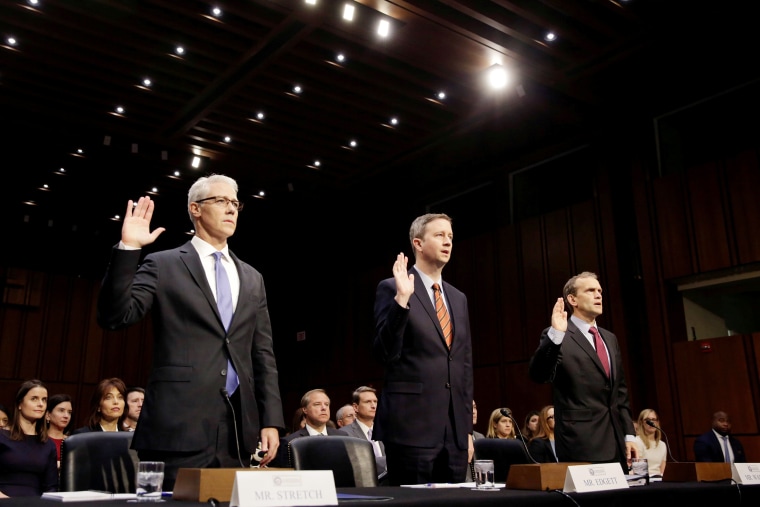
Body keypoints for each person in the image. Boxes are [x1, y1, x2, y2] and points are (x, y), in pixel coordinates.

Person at [96, 174, 284, 489]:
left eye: (235, 203)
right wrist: (129, 248)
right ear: (195, 209)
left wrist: (271, 421)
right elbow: (115, 316)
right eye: (222, 201)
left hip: (238, 432)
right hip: (175, 428)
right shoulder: (164, 264)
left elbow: (262, 354)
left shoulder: (253, 278)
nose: (231, 209)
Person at [373, 213, 474, 486]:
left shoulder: (458, 297)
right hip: (411, 428)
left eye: (451, 236)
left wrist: (466, 430)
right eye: (439, 235)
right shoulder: (392, 287)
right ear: (417, 243)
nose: (448, 241)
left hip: (453, 433)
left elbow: (463, 365)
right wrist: (401, 302)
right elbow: (385, 353)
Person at [529, 271, 637, 471]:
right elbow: (539, 375)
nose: (598, 295)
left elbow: (620, 393)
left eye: (599, 291)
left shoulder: (610, 338)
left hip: (617, 444)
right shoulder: (558, 334)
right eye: (590, 290)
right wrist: (556, 335)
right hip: (580, 443)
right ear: (572, 299)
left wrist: (629, 435)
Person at [0, 379, 58, 497]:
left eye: (44, 400)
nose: (41, 404)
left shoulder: (48, 444)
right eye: (34, 399)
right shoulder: (1, 437)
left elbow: (51, 487)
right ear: (19, 404)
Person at [270, 389, 347, 468]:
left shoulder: (343, 437)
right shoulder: (290, 442)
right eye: (317, 404)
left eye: (327, 404)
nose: (324, 408)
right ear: (305, 410)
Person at [341, 386, 387, 482]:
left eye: (375, 401)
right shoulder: (344, 433)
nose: (374, 406)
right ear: (355, 407)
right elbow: (358, 464)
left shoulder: (387, 430)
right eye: (368, 402)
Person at [634, 409, 666, 477]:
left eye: (654, 419)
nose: (651, 422)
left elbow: (663, 470)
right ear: (642, 422)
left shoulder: (662, 445)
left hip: (659, 480)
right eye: (647, 420)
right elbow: (639, 471)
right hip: (646, 480)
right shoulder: (637, 441)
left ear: (657, 423)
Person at [45, 394, 73, 466]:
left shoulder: (72, 441)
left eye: (69, 412)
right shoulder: (39, 440)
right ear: (48, 415)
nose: (66, 416)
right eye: (61, 410)